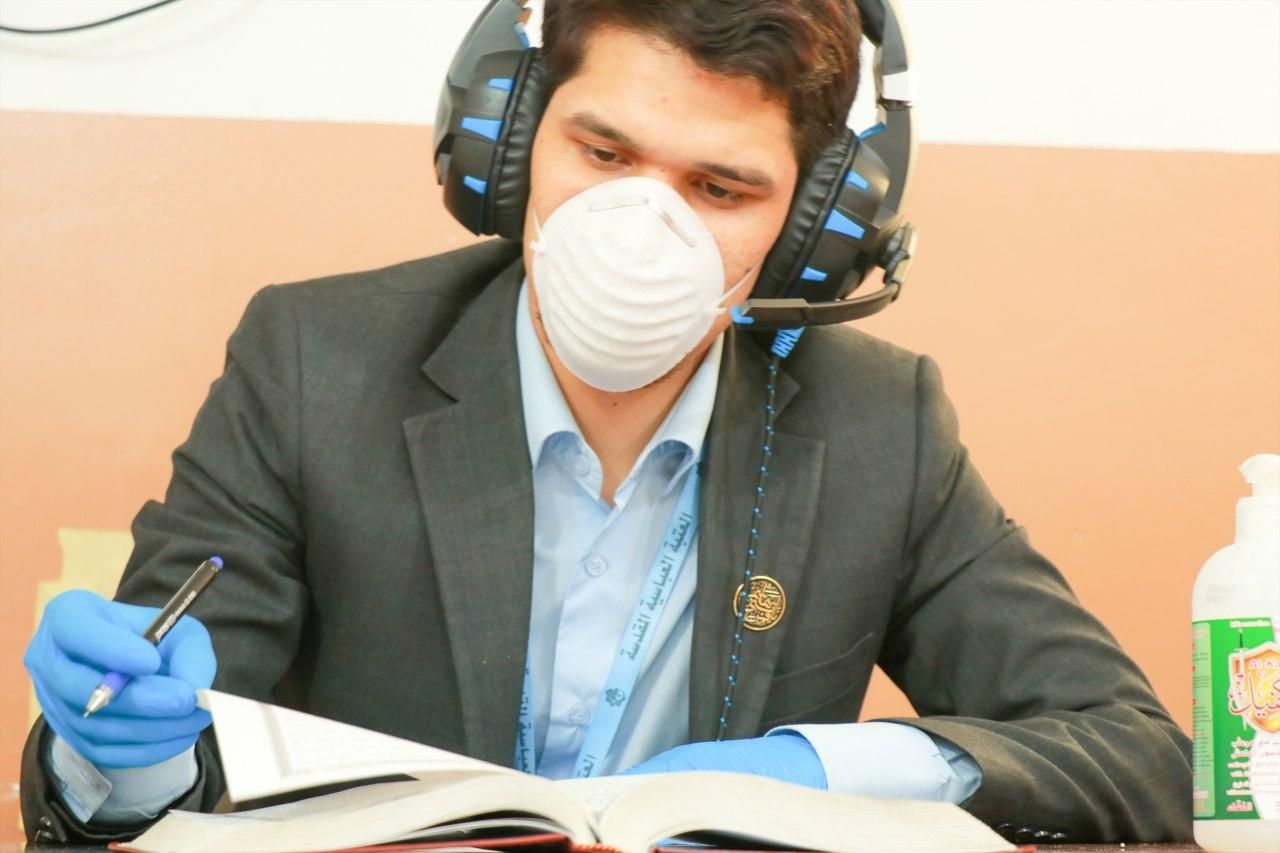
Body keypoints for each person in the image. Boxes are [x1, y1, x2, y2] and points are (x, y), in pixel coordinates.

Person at [20, 0, 1191, 845]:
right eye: (603, 152)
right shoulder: (312, 361)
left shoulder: (883, 423)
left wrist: (827, 769)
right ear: (509, 143)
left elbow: (1132, 752)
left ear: (813, 231)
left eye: (718, 188)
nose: (639, 227)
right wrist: (112, 749)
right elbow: (135, 785)